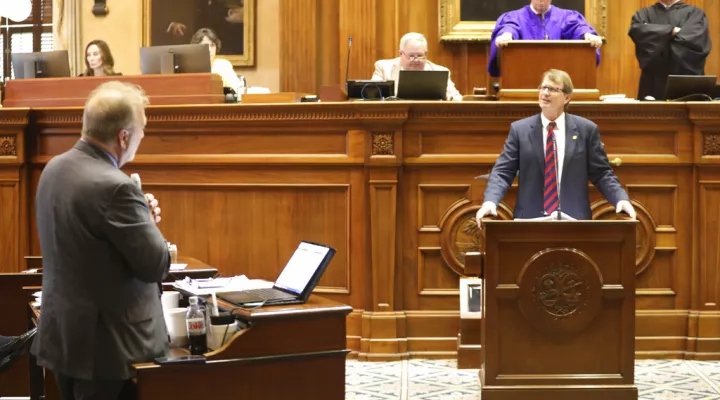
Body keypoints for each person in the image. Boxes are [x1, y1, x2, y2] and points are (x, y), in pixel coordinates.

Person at [31, 81, 170, 400]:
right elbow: (155, 265)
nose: (143, 136)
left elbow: (88, 242)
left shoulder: (54, 168)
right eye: (142, 129)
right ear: (124, 136)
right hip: (109, 352)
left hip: (64, 339)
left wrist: (136, 221)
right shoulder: (116, 187)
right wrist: (146, 222)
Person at [476, 69, 636, 225]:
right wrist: (490, 202)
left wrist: (620, 199)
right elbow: (503, 172)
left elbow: (602, 173)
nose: (545, 93)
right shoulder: (520, 130)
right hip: (530, 222)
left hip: (574, 221)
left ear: (566, 97)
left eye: (552, 89)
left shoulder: (586, 130)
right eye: (543, 87)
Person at [488, 0, 603, 78]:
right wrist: (506, 35)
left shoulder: (566, 16)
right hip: (524, 81)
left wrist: (587, 34)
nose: (541, 0)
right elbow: (510, 27)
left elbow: (577, 27)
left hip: (560, 83)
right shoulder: (515, 17)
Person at [628, 0, 711, 101]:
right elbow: (638, 32)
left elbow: (694, 43)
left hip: (687, 81)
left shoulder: (695, 14)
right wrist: (671, 31)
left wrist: (657, 38)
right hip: (653, 82)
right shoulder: (643, 15)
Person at [372, 32, 463, 101]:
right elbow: (372, 95)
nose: (416, 60)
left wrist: (450, 98)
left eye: (420, 55)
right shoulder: (384, 68)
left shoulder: (440, 71)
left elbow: (456, 98)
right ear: (400, 53)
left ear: (425, 54)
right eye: (411, 56)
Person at [190, 28, 244, 92]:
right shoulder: (190, 67)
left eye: (212, 45)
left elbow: (237, 90)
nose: (209, 50)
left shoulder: (224, 65)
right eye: (205, 46)